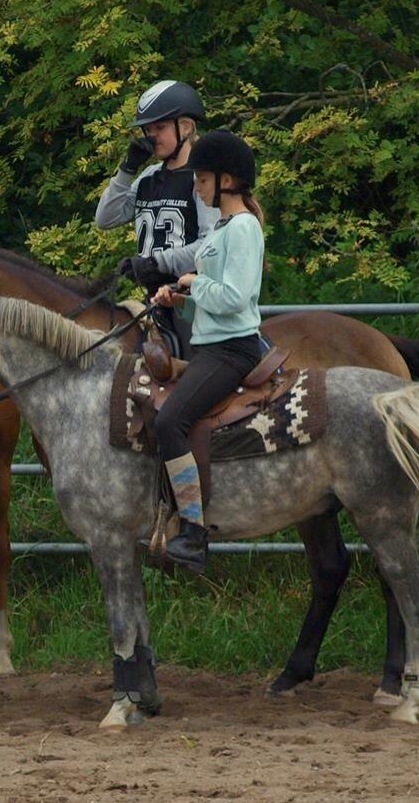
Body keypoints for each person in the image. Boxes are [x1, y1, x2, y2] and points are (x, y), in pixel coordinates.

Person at [151, 129, 265, 573]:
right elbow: (216, 293)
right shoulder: (222, 228)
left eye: (202, 180)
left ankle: (194, 532)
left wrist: (195, 282)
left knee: (168, 421)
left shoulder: (243, 228)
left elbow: (236, 297)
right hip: (209, 346)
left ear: (226, 180)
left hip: (231, 350)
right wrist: (182, 296)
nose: (196, 187)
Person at [95, 80, 221, 358]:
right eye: (148, 130)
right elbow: (105, 218)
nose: (152, 136)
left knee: (193, 362)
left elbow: (210, 244)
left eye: (160, 128)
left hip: (189, 298)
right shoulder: (148, 177)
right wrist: (127, 169)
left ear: (185, 127)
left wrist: (156, 262)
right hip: (151, 298)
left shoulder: (200, 177)